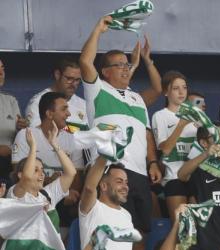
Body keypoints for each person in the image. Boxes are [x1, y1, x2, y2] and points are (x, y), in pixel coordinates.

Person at [79, 17, 162, 238]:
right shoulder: (98, 90)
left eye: (127, 65)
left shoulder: (137, 98)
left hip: (139, 173)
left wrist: (147, 61)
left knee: (139, 233)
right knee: (113, 231)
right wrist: (98, 29)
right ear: (105, 71)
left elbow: (157, 89)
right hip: (111, 169)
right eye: (119, 65)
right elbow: (85, 61)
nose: (125, 68)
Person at [10, 93, 84, 208]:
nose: (69, 114)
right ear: (49, 114)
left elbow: (76, 177)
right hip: (29, 200)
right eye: (64, 109)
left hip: (62, 198)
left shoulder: (73, 138)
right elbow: (19, 176)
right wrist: (49, 181)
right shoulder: (26, 135)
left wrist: (63, 192)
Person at [152, 71, 196, 216]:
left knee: (199, 225)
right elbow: (164, 150)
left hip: (196, 178)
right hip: (174, 178)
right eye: (176, 88)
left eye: (184, 87)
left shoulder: (196, 115)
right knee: (180, 224)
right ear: (166, 92)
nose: (181, 92)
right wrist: (181, 124)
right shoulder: (160, 116)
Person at [25, 58, 88, 131]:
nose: (73, 84)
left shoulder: (84, 104)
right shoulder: (38, 102)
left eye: (77, 80)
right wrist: (78, 131)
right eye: (69, 79)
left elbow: (92, 132)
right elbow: (37, 132)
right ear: (57, 75)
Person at [0, 58, 22, 180]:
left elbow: (20, 137)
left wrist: (22, 128)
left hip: (10, 163)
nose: (1, 73)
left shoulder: (11, 100)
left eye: (2, 68)